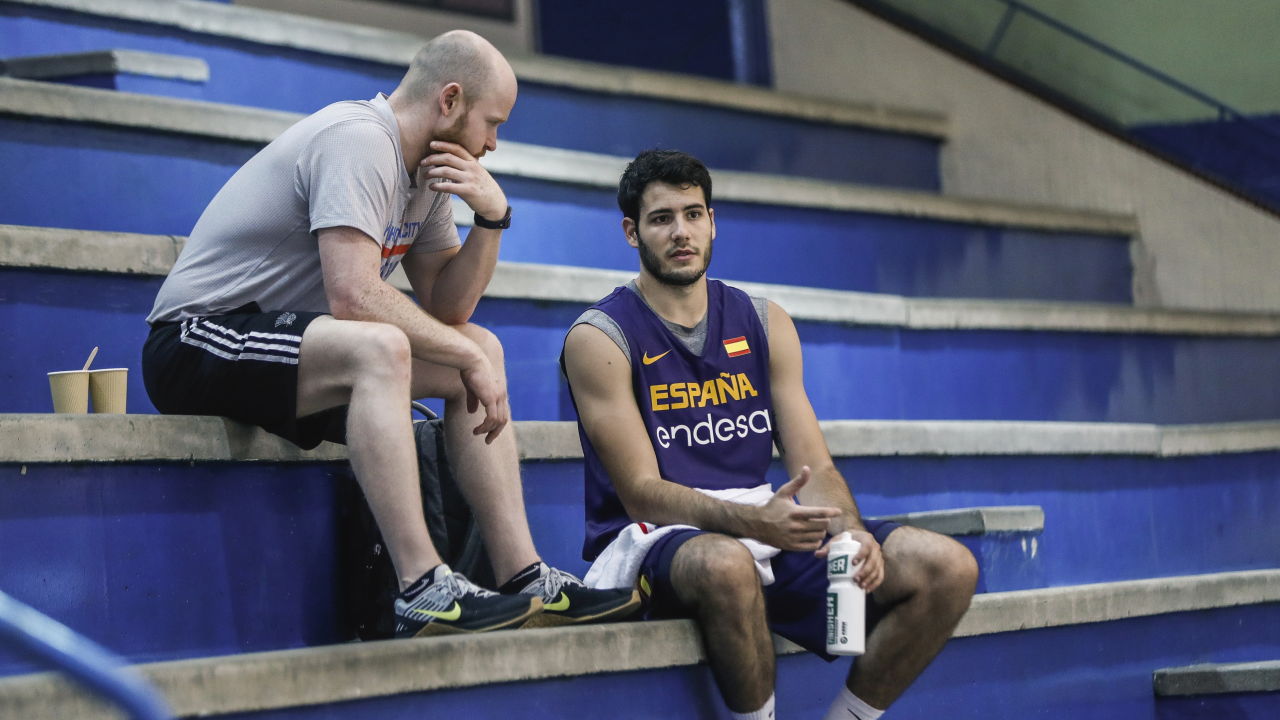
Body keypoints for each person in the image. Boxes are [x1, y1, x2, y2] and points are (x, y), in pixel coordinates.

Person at [142, 30, 639, 638]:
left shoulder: (426, 175)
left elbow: (448, 306)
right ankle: (422, 585)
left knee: (481, 347)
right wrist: (462, 354)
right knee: (386, 347)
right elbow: (353, 296)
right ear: (449, 100)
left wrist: (492, 219)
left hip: (297, 351)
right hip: (197, 340)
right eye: (492, 123)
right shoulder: (358, 139)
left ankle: (523, 574)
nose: (492, 144)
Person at [561, 149, 978, 719]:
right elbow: (641, 493)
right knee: (727, 564)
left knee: (947, 567)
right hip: (657, 540)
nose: (681, 232)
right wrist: (753, 523)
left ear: (712, 222)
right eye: (661, 219)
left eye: (693, 214)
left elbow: (817, 466)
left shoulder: (764, 320)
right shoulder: (600, 337)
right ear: (632, 232)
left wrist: (850, 532)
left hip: (761, 527)